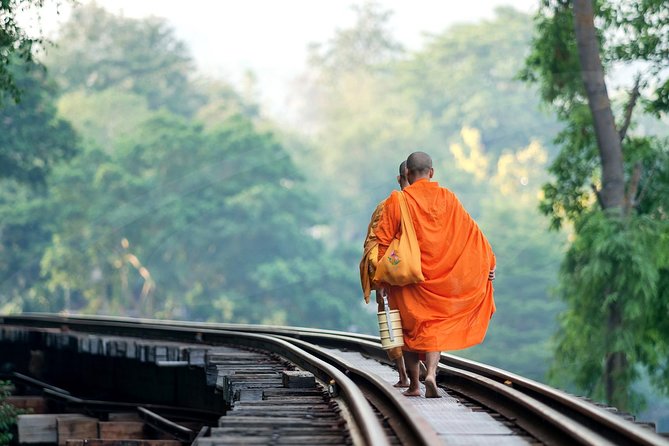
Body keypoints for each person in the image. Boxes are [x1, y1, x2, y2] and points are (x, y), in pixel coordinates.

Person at [375, 151, 496, 398]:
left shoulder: (397, 201)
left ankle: (414, 385)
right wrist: (488, 265)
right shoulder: (448, 198)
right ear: (432, 172)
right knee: (434, 328)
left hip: (408, 280)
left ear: (406, 173)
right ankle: (431, 373)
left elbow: (383, 243)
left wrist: (385, 275)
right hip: (441, 279)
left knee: (409, 331)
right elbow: (472, 234)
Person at [360, 161, 410, 387]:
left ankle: (404, 376)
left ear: (399, 178)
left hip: (390, 273)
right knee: (418, 323)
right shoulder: (428, 206)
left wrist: (383, 274)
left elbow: (375, 244)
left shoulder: (386, 205)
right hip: (420, 276)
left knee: (392, 321)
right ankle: (422, 376)